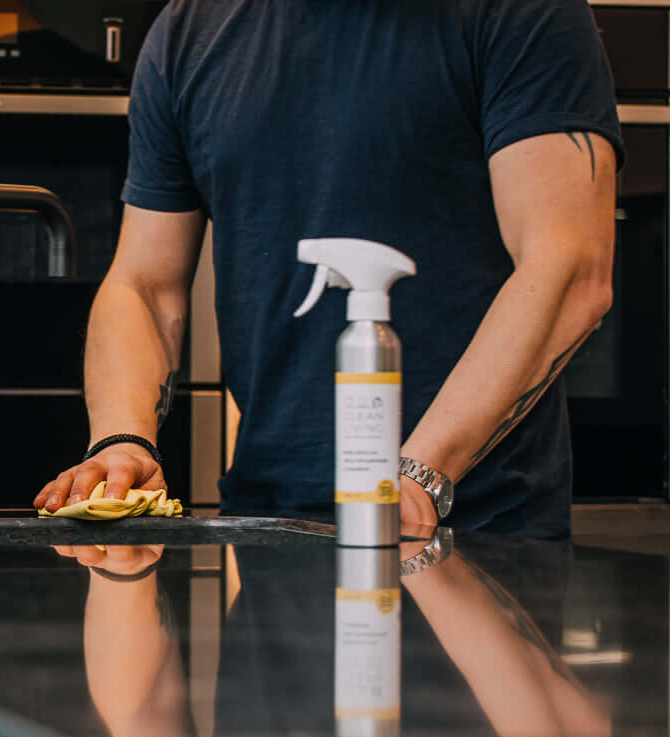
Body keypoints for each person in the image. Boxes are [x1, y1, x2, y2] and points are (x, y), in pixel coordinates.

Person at [34, 0, 623, 537]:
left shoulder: (523, 12)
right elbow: (144, 285)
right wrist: (122, 438)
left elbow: (569, 268)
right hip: (271, 529)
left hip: (477, 533)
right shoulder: (190, 31)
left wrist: (417, 476)